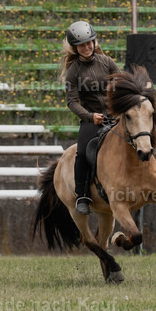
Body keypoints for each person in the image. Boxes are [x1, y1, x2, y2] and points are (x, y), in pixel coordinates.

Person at [61, 20, 119, 215]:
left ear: (94, 42)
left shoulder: (108, 62)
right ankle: (83, 195)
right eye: (81, 45)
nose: (86, 48)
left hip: (115, 117)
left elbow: (122, 85)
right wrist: (89, 116)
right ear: (75, 48)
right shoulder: (72, 72)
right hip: (92, 120)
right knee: (83, 153)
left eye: (89, 43)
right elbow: (72, 102)